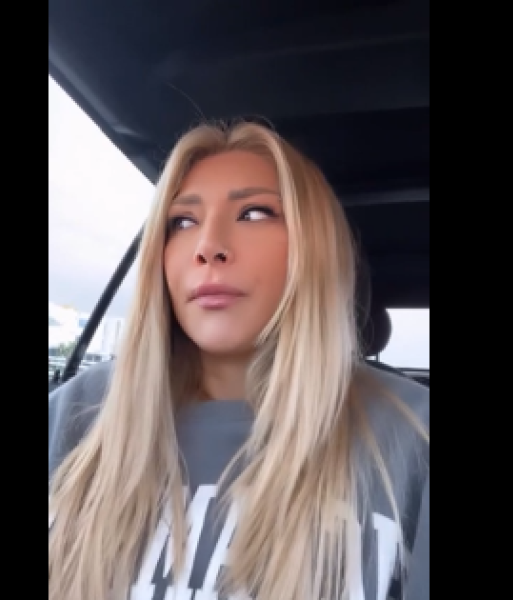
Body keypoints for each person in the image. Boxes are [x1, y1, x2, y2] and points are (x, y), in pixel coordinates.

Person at [48, 121, 429, 600]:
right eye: (181, 222)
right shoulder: (78, 413)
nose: (208, 246)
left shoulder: (414, 435)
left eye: (254, 213)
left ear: (315, 246)